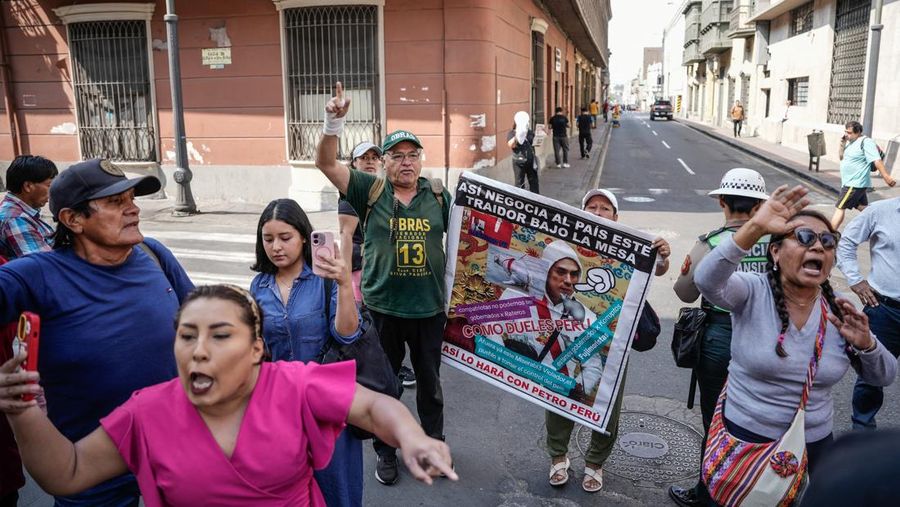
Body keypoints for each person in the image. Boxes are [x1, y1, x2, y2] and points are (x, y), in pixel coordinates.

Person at [0, 284, 457, 506]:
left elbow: (374, 406)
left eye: (220, 336)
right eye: (186, 336)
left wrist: (412, 437)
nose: (199, 351)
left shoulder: (294, 384)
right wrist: (24, 415)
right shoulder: (147, 411)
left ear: (257, 349)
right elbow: (68, 472)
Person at [0, 158, 194, 506]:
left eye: (132, 199)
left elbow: (202, 322)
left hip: (173, 452)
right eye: (116, 203)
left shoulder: (153, 254)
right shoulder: (35, 275)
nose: (133, 210)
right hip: (89, 468)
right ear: (73, 219)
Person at [694, 185, 896, 478]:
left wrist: (867, 345)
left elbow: (884, 376)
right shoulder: (752, 289)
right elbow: (706, 280)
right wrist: (755, 227)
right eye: (805, 238)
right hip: (743, 440)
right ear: (775, 252)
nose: (818, 247)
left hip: (812, 448)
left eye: (828, 241)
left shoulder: (841, 310)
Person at [315, 82, 451, 486]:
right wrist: (332, 122)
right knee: (384, 385)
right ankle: (386, 452)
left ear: (421, 161)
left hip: (429, 310)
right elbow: (325, 163)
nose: (406, 163)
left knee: (430, 386)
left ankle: (433, 445)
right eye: (397, 157)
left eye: (413, 156)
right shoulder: (369, 190)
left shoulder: (440, 195)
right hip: (383, 309)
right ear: (386, 163)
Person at [545, 188, 670, 493]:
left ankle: (595, 463)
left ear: (616, 217)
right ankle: (558, 457)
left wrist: (663, 255)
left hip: (612, 341)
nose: (597, 213)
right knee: (559, 392)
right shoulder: (565, 243)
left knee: (606, 402)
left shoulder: (631, 244)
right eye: (592, 207)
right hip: (567, 334)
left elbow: (659, 269)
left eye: (604, 209)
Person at [249, 198, 364, 506]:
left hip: (328, 407)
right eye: (268, 239)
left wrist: (343, 285)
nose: (276, 247)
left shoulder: (324, 279)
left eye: (285, 238)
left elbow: (347, 333)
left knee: (337, 491)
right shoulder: (258, 286)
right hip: (281, 410)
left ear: (303, 236)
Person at [669, 168, 769, 507]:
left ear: (722, 202)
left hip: (719, 339)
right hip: (769, 337)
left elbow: (683, 293)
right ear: (758, 207)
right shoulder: (779, 242)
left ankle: (708, 492)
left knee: (716, 420)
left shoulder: (709, 242)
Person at [337, 143, 417, 388]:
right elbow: (346, 236)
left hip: (388, 270)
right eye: (363, 158)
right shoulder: (354, 194)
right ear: (354, 165)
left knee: (388, 325)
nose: (370, 162)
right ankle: (375, 373)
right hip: (364, 271)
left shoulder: (386, 191)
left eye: (374, 157)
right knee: (371, 325)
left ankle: (389, 367)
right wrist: (344, 280)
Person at [836, 196, 900, 430]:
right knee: (871, 378)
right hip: (884, 309)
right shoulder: (880, 211)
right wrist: (855, 279)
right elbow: (846, 242)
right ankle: (862, 434)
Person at [831, 121, 897, 230]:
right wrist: (842, 143)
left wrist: (886, 177)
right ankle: (886, 223)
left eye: (849, 132)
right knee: (863, 208)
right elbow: (841, 157)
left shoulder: (866, 142)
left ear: (858, 132)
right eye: (846, 132)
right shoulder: (850, 141)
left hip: (854, 183)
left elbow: (876, 160)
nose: (846, 134)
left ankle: (829, 233)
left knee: (840, 207)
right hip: (849, 182)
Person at [0, 155, 58, 259]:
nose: (52, 191)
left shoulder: (24, 211)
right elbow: (43, 263)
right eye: (49, 185)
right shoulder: (15, 219)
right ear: (28, 186)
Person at [507, 111, 539, 194]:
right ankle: (520, 200)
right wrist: (518, 134)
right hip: (519, 161)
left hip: (531, 160)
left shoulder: (530, 132)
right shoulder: (512, 133)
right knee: (519, 183)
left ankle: (536, 200)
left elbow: (534, 143)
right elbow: (511, 145)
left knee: (534, 182)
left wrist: (540, 137)